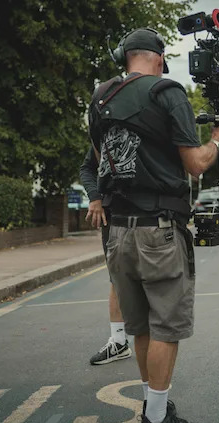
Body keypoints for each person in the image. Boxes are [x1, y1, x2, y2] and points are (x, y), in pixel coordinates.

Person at [87, 28, 219, 423]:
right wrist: (218, 140)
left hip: (118, 233)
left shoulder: (101, 97)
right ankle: (155, 419)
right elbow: (196, 163)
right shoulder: (167, 92)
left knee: (140, 329)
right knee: (166, 327)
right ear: (157, 58)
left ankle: (154, 410)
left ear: (126, 56)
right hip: (160, 230)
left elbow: (101, 160)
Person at [79, 148, 132, 365]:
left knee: (153, 277)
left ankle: (157, 342)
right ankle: (119, 342)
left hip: (151, 212)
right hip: (113, 214)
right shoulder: (104, 129)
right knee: (116, 278)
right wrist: (95, 198)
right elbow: (87, 168)